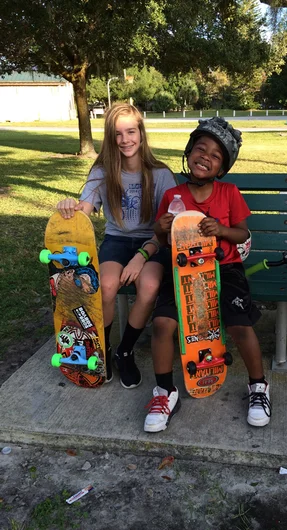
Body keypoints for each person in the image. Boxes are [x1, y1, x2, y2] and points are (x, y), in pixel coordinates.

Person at [143, 117, 272, 433]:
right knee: (162, 324)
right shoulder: (173, 195)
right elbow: (164, 240)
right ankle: (164, 392)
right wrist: (161, 230)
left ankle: (259, 387)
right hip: (184, 272)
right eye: (200, 149)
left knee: (239, 323)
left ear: (222, 168)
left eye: (215, 155)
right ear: (188, 153)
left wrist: (222, 229)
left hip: (225, 270)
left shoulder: (228, 192)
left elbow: (242, 235)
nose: (206, 156)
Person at [56, 103, 176, 389]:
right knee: (106, 285)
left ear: (141, 134)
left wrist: (140, 258)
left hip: (152, 242)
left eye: (131, 131)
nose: (125, 140)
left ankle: (125, 350)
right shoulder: (103, 171)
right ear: (110, 138)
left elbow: (165, 228)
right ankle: (102, 349)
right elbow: (86, 206)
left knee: (148, 286)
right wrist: (72, 206)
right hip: (116, 240)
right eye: (117, 134)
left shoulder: (160, 174)